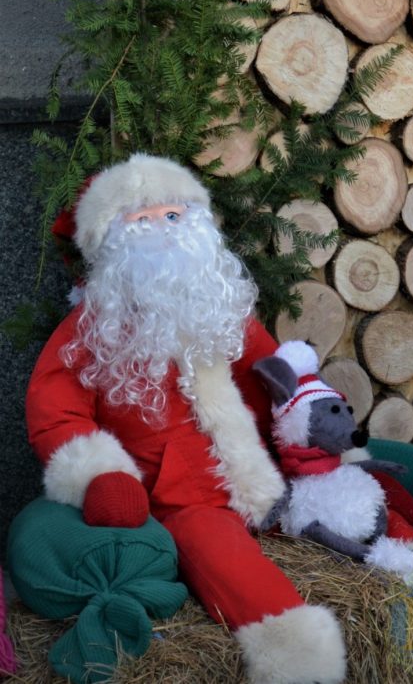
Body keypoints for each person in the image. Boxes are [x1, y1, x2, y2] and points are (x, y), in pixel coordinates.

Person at [24, 154, 346, 684]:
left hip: (263, 469)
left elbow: (271, 371)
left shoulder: (219, 307)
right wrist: (101, 474)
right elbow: (54, 409)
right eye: (144, 221)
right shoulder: (90, 329)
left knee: (365, 476)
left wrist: (307, 403)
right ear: (111, 241)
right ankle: (297, 655)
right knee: (215, 548)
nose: (163, 233)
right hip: (181, 497)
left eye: (174, 217)